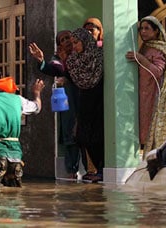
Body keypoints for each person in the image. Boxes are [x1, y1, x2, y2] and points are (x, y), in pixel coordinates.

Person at [28, 30, 81, 179]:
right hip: (69, 100)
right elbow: (54, 69)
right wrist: (41, 60)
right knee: (71, 132)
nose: (67, 41)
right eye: (63, 39)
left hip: (84, 98)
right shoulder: (58, 58)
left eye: (69, 38)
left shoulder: (82, 54)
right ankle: (72, 170)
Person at [125, 16, 166, 155]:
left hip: (157, 96)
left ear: (156, 31)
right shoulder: (146, 47)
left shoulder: (160, 48)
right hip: (145, 94)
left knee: (156, 136)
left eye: (147, 28)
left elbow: (158, 72)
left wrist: (141, 59)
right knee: (146, 133)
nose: (143, 32)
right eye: (141, 29)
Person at [66, 27, 104, 182]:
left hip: (99, 102)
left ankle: (101, 169)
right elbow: (60, 71)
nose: (74, 46)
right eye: (72, 43)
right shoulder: (73, 61)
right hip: (84, 102)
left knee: (98, 137)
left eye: (77, 42)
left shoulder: (98, 56)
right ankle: (96, 168)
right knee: (83, 137)